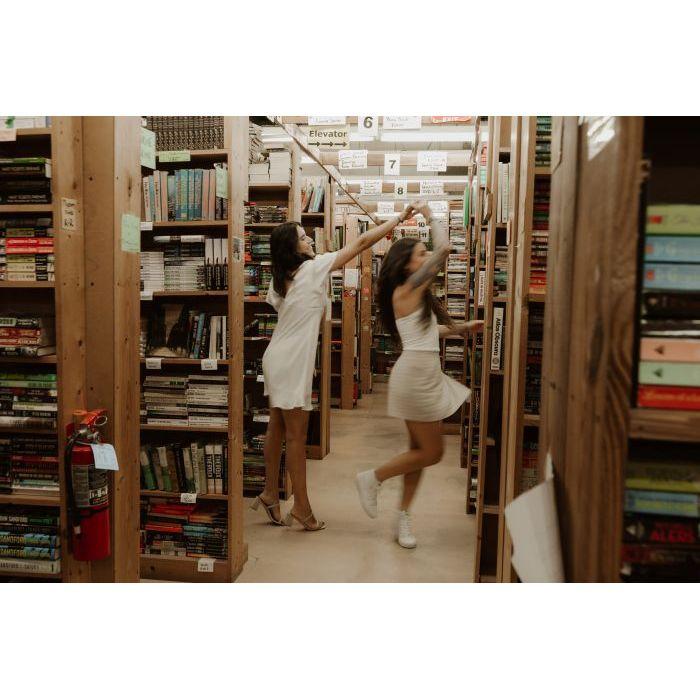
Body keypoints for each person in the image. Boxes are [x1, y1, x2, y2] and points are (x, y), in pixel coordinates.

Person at [251, 204, 418, 531]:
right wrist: (398, 219)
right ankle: (302, 508)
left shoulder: (278, 281)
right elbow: (362, 242)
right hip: (292, 361)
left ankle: (271, 493)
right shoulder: (314, 268)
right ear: (292, 248)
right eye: (303, 238)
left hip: (277, 357)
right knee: (296, 437)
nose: (310, 240)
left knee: (277, 427)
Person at [355, 201, 482, 548]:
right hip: (417, 376)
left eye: (425, 254)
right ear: (406, 263)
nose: (426, 258)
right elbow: (444, 247)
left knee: (419, 451)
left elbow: (424, 333)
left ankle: (403, 518)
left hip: (421, 372)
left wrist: (461, 328)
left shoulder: (410, 294)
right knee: (433, 452)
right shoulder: (409, 287)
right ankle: (373, 478)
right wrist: (429, 215)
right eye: (420, 254)